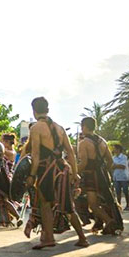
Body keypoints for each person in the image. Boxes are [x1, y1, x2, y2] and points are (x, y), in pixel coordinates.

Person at [25, 97, 89, 249]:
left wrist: (32, 175)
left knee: (45, 203)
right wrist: (74, 172)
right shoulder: (59, 128)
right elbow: (71, 152)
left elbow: (35, 155)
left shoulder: (36, 128)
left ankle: (48, 238)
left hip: (46, 170)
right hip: (62, 168)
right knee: (68, 205)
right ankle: (82, 237)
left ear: (34, 110)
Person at [77, 117, 122, 234]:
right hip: (103, 174)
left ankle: (109, 221)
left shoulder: (83, 143)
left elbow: (84, 162)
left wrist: (73, 173)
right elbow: (110, 161)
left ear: (84, 127)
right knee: (106, 201)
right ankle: (102, 223)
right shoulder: (103, 141)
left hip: (91, 176)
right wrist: (104, 171)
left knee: (93, 204)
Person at [111, 144, 129, 209]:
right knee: (118, 192)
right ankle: (119, 205)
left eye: (114, 149)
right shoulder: (113, 158)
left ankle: (127, 205)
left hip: (123, 176)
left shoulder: (124, 157)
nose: (113, 150)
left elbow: (123, 166)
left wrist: (115, 166)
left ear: (118, 149)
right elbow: (111, 166)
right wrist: (116, 166)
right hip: (116, 176)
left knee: (125, 191)